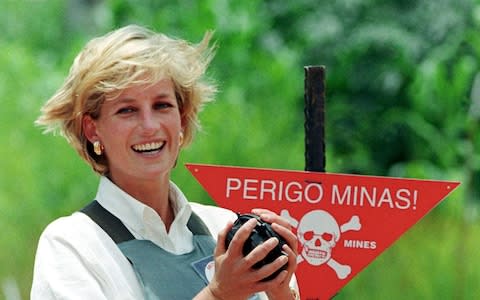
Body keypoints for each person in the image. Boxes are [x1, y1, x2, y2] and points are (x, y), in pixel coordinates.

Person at [31, 24, 299, 300]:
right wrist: (219, 294)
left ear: (181, 120)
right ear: (92, 129)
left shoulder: (225, 226)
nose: (149, 126)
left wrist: (279, 291)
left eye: (162, 106)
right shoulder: (72, 245)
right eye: (127, 110)